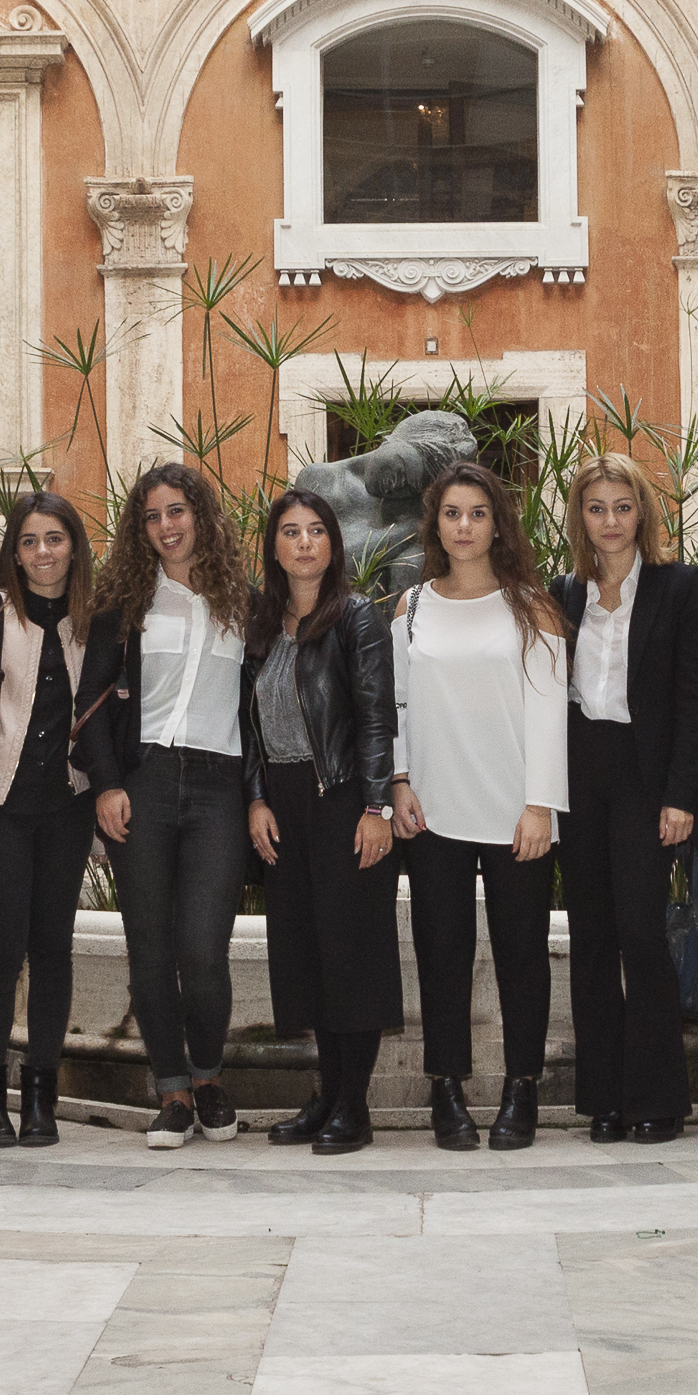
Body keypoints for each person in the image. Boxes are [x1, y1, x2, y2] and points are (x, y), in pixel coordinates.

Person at [389, 463, 571, 1150]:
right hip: (433, 808)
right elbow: (398, 706)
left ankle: (521, 1090)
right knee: (442, 954)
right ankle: (448, 1092)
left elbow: (550, 714)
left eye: (477, 514)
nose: (464, 526)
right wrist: (400, 782)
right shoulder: (411, 610)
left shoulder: (534, 606)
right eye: (452, 514)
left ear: (498, 524)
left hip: (513, 810)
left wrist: (540, 806)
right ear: (435, 524)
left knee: (522, 952)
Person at [75, 462, 257, 1147]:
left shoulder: (245, 602)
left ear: (201, 515)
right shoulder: (124, 606)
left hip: (220, 786)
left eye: (176, 511)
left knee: (205, 949)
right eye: (151, 517)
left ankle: (209, 1077)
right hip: (143, 782)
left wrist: (258, 797)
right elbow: (89, 707)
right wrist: (107, 784)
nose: (166, 527)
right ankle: (173, 1093)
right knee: (149, 949)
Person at [550, 455, 698, 1143]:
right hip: (577, 771)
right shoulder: (561, 594)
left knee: (641, 935)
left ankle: (658, 1097)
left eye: (622, 506)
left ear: (641, 513)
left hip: (646, 777)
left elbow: (695, 700)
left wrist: (680, 795)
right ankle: (606, 1099)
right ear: (580, 518)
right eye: (596, 508)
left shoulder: (678, 588)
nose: (610, 521)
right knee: (590, 938)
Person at [243, 489, 400, 1155]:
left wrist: (376, 806)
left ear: (333, 545)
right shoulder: (258, 623)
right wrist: (254, 800)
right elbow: (244, 724)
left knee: (350, 955)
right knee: (306, 957)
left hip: (341, 798)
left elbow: (375, 716)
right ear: (274, 546)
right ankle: (325, 1094)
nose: (304, 543)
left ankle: (351, 1107)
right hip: (282, 801)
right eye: (290, 532)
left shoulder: (356, 617)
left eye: (316, 531)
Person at [0, 490, 102, 1148]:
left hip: (66, 808)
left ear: (74, 546)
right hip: (2, 809)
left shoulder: (92, 618)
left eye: (55, 539)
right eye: (30, 541)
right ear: (15, 551)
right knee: (3, 954)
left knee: (54, 951)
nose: (43, 553)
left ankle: (42, 1092)